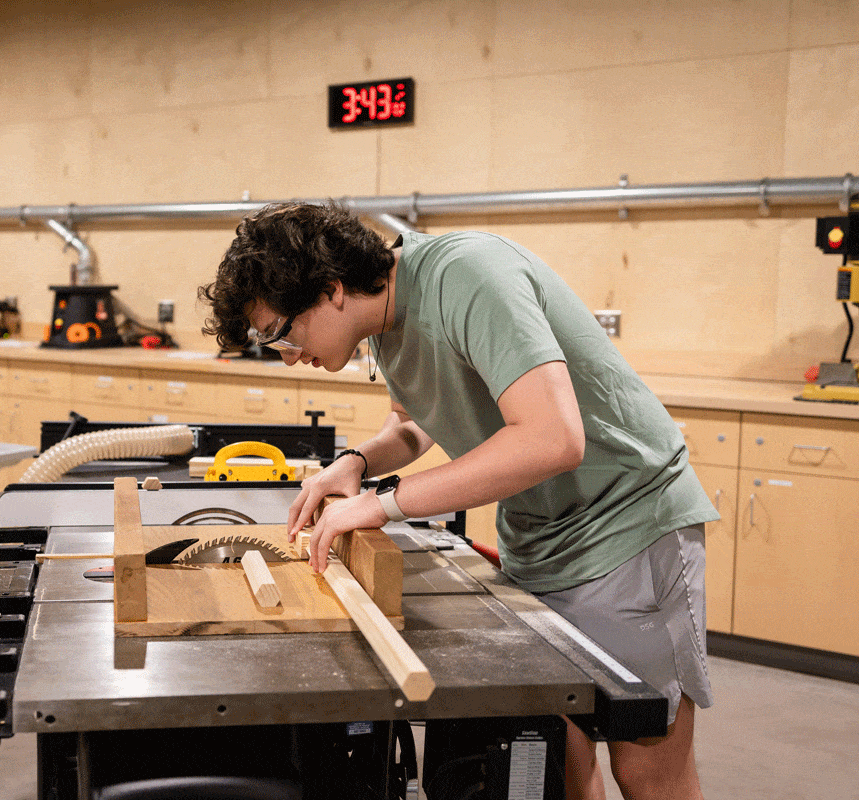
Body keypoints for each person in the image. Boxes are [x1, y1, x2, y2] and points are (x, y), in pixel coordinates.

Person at [199, 202, 718, 800]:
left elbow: (553, 438)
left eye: (281, 333)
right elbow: (417, 424)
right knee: (563, 758)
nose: (287, 354)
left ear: (331, 289)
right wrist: (357, 464)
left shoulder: (470, 276)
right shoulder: (385, 324)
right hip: (540, 538)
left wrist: (385, 502)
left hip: (626, 525)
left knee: (647, 765)